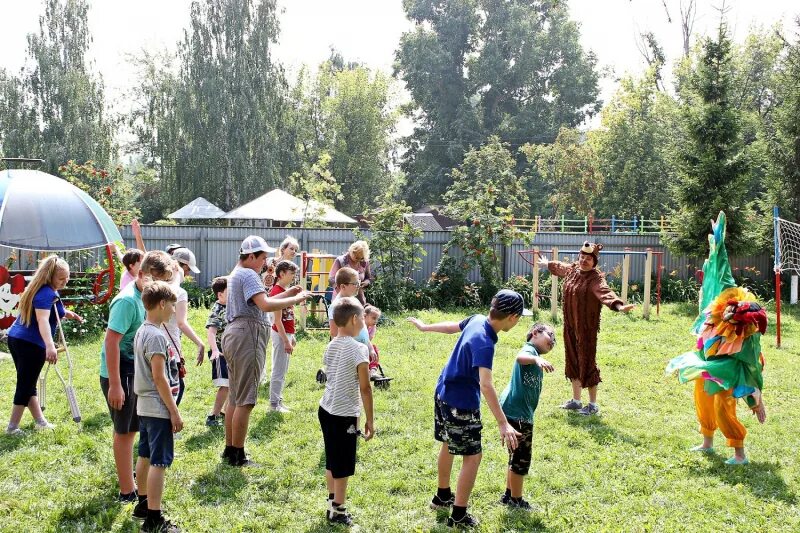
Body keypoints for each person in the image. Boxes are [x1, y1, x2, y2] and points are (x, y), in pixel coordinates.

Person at [408, 289, 527, 528]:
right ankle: (459, 514)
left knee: (447, 443)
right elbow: (486, 384)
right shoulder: (485, 343)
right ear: (512, 317)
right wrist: (503, 423)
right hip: (460, 403)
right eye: (520, 317)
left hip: (443, 391)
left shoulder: (477, 319)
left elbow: (454, 326)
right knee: (472, 457)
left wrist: (426, 327)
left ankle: (443, 496)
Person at [666, 212, 767, 465]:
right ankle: (707, 442)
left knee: (723, 404)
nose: (729, 313)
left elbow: (752, 365)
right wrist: (717, 245)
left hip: (729, 368)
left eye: (734, 313)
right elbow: (719, 272)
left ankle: (739, 453)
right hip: (706, 359)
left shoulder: (746, 333)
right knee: (702, 395)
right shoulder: (718, 303)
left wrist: (756, 398)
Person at [221, 236, 310, 467]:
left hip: (234, 333)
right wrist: (297, 298)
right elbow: (265, 306)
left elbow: (264, 299)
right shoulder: (249, 274)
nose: (265, 262)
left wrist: (288, 294)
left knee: (235, 395)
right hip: (246, 336)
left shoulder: (237, 273)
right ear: (250, 256)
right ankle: (239, 456)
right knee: (246, 400)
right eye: (262, 257)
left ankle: (230, 450)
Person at [100, 250, 175, 503]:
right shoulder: (127, 301)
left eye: (165, 283)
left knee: (134, 429)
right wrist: (116, 385)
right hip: (118, 372)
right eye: (158, 281)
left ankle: (134, 483)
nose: (161, 288)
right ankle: (126, 490)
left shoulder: (146, 299)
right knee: (125, 431)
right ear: (141, 274)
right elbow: (111, 342)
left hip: (133, 370)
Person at [537, 242, 634, 416]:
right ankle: (576, 401)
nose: (584, 261)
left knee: (586, 362)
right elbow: (561, 267)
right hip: (570, 326)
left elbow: (605, 292)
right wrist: (547, 264)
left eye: (588, 259)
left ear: (594, 261)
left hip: (586, 330)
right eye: (582, 257)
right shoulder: (573, 270)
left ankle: (593, 405)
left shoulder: (595, 279)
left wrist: (618, 306)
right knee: (572, 360)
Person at [5, 256, 82, 435]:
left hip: (16, 339)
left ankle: (40, 420)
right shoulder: (47, 293)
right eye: (61, 279)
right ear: (50, 277)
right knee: (25, 384)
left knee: (28, 381)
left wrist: (71, 314)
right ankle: (12, 427)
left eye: (67, 277)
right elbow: (43, 320)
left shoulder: (41, 289)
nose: (65, 281)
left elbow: (53, 313)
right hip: (30, 344)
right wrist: (50, 345)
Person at [318, 296, 374, 526]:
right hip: (344, 415)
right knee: (343, 465)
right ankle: (338, 511)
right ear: (354, 319)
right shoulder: (359, 349)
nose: (364, 321)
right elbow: (365, 387)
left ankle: (332, 502)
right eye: (362, 317)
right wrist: (370, 419)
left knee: (332, 459)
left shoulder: (331, 345)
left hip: (326, 409)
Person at [132, 280, 182, 533]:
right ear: (162, 303)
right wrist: (173, 411)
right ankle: (154, 517)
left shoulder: (143, 330)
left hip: (143, 406)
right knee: (159, 462)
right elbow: (160, 377)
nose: (174, 310)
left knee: (145, 455)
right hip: (157, 407)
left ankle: (142, 502)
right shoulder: (156, 336)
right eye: (172, 305)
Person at [498, 323, 556, 510]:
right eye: (550, 335)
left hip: (517, 412)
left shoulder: (534, 354)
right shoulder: (529, 351)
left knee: (515, 456)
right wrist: (535, 360)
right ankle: (517, 500)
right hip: (519, 414)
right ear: (535, 333)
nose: (553, 341)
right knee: (521, 459)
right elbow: (520, 357)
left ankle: (509, 495)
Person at [317, 268, 375, 384]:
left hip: (361, 348)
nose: (358, 286)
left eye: (358, 283)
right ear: (343, 286)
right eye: (355, 284)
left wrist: (370, 347)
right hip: (347, 351)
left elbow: (363, 326)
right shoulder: (336, 306)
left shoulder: (356, 302)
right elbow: (334, 333)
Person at [162, 251, 205, 406]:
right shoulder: (180, 293)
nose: (187, 274)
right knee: (176, 389)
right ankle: (168, 427)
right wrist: (200, 343)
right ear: (181, 267)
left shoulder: (154, 287)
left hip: (150, 344)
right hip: (169, 348)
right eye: (187, 270)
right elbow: (181, 323)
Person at [268, 260, 299, 413]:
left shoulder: (285, 291)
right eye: (291, 273)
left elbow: (289, 316)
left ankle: (279, 401)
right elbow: (277, 321)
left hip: (287, 334)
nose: (294, 276)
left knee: (283, 369)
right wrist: (286, 340)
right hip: (280, 335)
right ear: (281, 274)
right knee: (278, 370)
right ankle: (274, 404)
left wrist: (292, 336)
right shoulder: (276, 292)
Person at [205, 276, 229, 427]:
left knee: (232, 384)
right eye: (229, 291)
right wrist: (214, 350)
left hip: (231, 351)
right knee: (225, 385)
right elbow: (211, 332)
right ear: (220, 295)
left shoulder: (230, 306)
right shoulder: (217, 310)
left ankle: (226, 412)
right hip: (220, 352)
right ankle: (213, 416)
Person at [328, 240, 372, 305]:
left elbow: (368, 278)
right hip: (341, 300)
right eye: (357, 257)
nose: (359, 260)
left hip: (359, 299)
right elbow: (331, 280)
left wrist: (366, 283)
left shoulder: (364, 262)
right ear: (352, 251)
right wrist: (344, 290)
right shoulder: (340, 261)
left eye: (361, 258)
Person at [364, 305, 382, 379]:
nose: (375, 321)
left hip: (366, 344)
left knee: (374, 348)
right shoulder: (360, 325)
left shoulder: (373, 327)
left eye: (377, 319)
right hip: (357, 344)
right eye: (373, 318)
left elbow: (369, 339)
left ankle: (373, 370)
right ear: (365, 316)